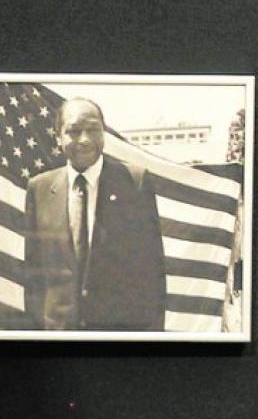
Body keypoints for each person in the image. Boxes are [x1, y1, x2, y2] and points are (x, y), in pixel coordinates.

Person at [21, 98, 167, 330]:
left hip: (118, 332)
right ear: (59, 136)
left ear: (103, 133)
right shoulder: (39, 189)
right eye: (74, 131)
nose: (85, 139)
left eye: (93, 130)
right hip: (58, 333)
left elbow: (153, 272)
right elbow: (33, 273)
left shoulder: (135, 183)